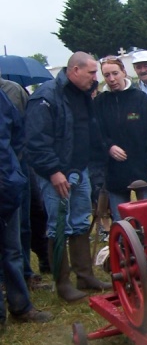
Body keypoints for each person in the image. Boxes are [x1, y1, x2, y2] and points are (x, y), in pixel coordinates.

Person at [25, 52, 111, 303]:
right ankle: (62, 283)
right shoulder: (45, 97)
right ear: (74, 70)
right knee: (59, 227)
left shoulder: (83, 95)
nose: (96, 78)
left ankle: (84, 276)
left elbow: (87, 130)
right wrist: (53, 171)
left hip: (80, 170)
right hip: (57, 174)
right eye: (91, 73)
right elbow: (36, 140)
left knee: (81, 222)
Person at [0, 90, 52, 323]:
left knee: (12, 251)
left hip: (7, 185)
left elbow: (18, 131)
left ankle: (21, 306)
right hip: (8, 180)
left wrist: (13, 169)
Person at [94, 57, 147, 220]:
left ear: (124, 73)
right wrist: (109, 147)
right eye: (107, 75)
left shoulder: (140, 99)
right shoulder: (100, 103)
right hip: (115, 171)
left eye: (115, 73)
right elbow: (96, 132)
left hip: (143, 167)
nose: (112, 79)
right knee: (121, 222)